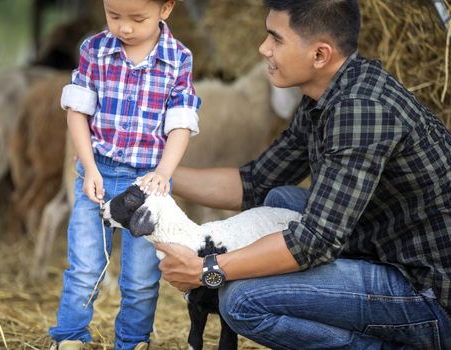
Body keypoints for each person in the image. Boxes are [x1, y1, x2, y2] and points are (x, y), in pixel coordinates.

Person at [155, 0, 451, 349]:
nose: (263, 48)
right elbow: (255, 182)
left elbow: (313, 242)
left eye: (275, 39)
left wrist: (208, 268)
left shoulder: (360, 111)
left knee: (240, 301)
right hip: (384, 246)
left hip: (427, 295)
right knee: (278, 198)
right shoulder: (322, 97)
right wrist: (155, 176)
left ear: (320, 55)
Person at [48, 0, 201, 349]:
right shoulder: (94, 49)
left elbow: (180, 122)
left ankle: (133, 341)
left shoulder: (179, 58)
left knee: (142, 276)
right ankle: (70, 337)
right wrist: (88, 167)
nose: (125, 28)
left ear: (166, 9)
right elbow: (77, 112)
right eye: (113, 16)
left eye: (137, 18)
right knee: (85, 265)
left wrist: (164, 171)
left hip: (148, 184)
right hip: (98, 172)